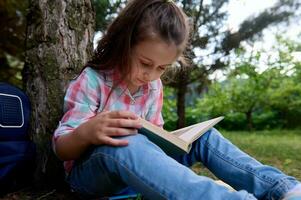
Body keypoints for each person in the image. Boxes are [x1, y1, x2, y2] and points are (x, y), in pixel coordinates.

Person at [52, 0, 301, 199]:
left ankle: (282, 188)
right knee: (128, 140)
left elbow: (154, 141)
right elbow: (61, 149)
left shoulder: (152, 87)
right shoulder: (93, 80)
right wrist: (87, 132)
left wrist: (170, 141)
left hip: (140, 171)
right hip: (92, 176)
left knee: (205, 137)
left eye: (162, 68)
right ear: (123, 43)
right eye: (145, 63)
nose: (150, 75)